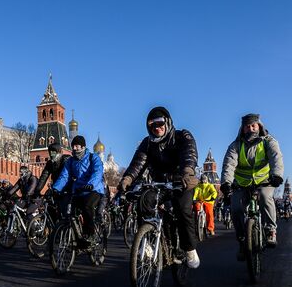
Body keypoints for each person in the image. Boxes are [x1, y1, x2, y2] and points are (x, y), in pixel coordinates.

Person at [117, 106, 200, 269]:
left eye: (160, 123)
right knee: (144, 201)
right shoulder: (147, 143)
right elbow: (138, 164)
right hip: (159, 183)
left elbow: (189, 155)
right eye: (152, 125)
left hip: (180, 181)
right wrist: (127, 179)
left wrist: (187, 173)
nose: (157, 128)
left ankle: (189, 248)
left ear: (167, 122)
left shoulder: (182, 136)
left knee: (183, 210)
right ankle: (147, 242)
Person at [220, 113, 284, 258]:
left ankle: (270, 231)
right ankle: (243, 241)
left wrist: (277, 175)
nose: (251, 129)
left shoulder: (269, 141)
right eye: (247, 126)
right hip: (241, 184)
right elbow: (229, 164)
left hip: (265, 181)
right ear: (242, 129)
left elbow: (276, 158)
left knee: (265, 197)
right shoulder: (236, 145)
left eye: (253, 125)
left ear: (259, 126)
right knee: (235, 208)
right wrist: (226, 183)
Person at [53, 135, 105, 242]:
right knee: (68, 209)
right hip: (78, 191)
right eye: (73, 146)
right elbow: (64, 176)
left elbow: (97, 172)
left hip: (93, 189)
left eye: (77, 146)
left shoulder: (93, 157)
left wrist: (91, 184)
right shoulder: (71, 161)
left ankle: (90, 234)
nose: (74, 149)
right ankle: (74, 235)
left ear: (83, 146)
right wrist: (55, 188)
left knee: (87, 206)